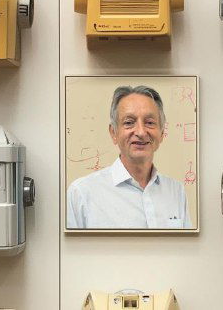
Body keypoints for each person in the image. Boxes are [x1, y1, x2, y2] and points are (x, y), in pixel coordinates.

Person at [67, 85, 192, 229]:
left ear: (162, 133)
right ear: (113, 133)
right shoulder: (81, 193)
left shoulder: (176, 191)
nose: (141, 132)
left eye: (149, 123)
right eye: (129, 123)